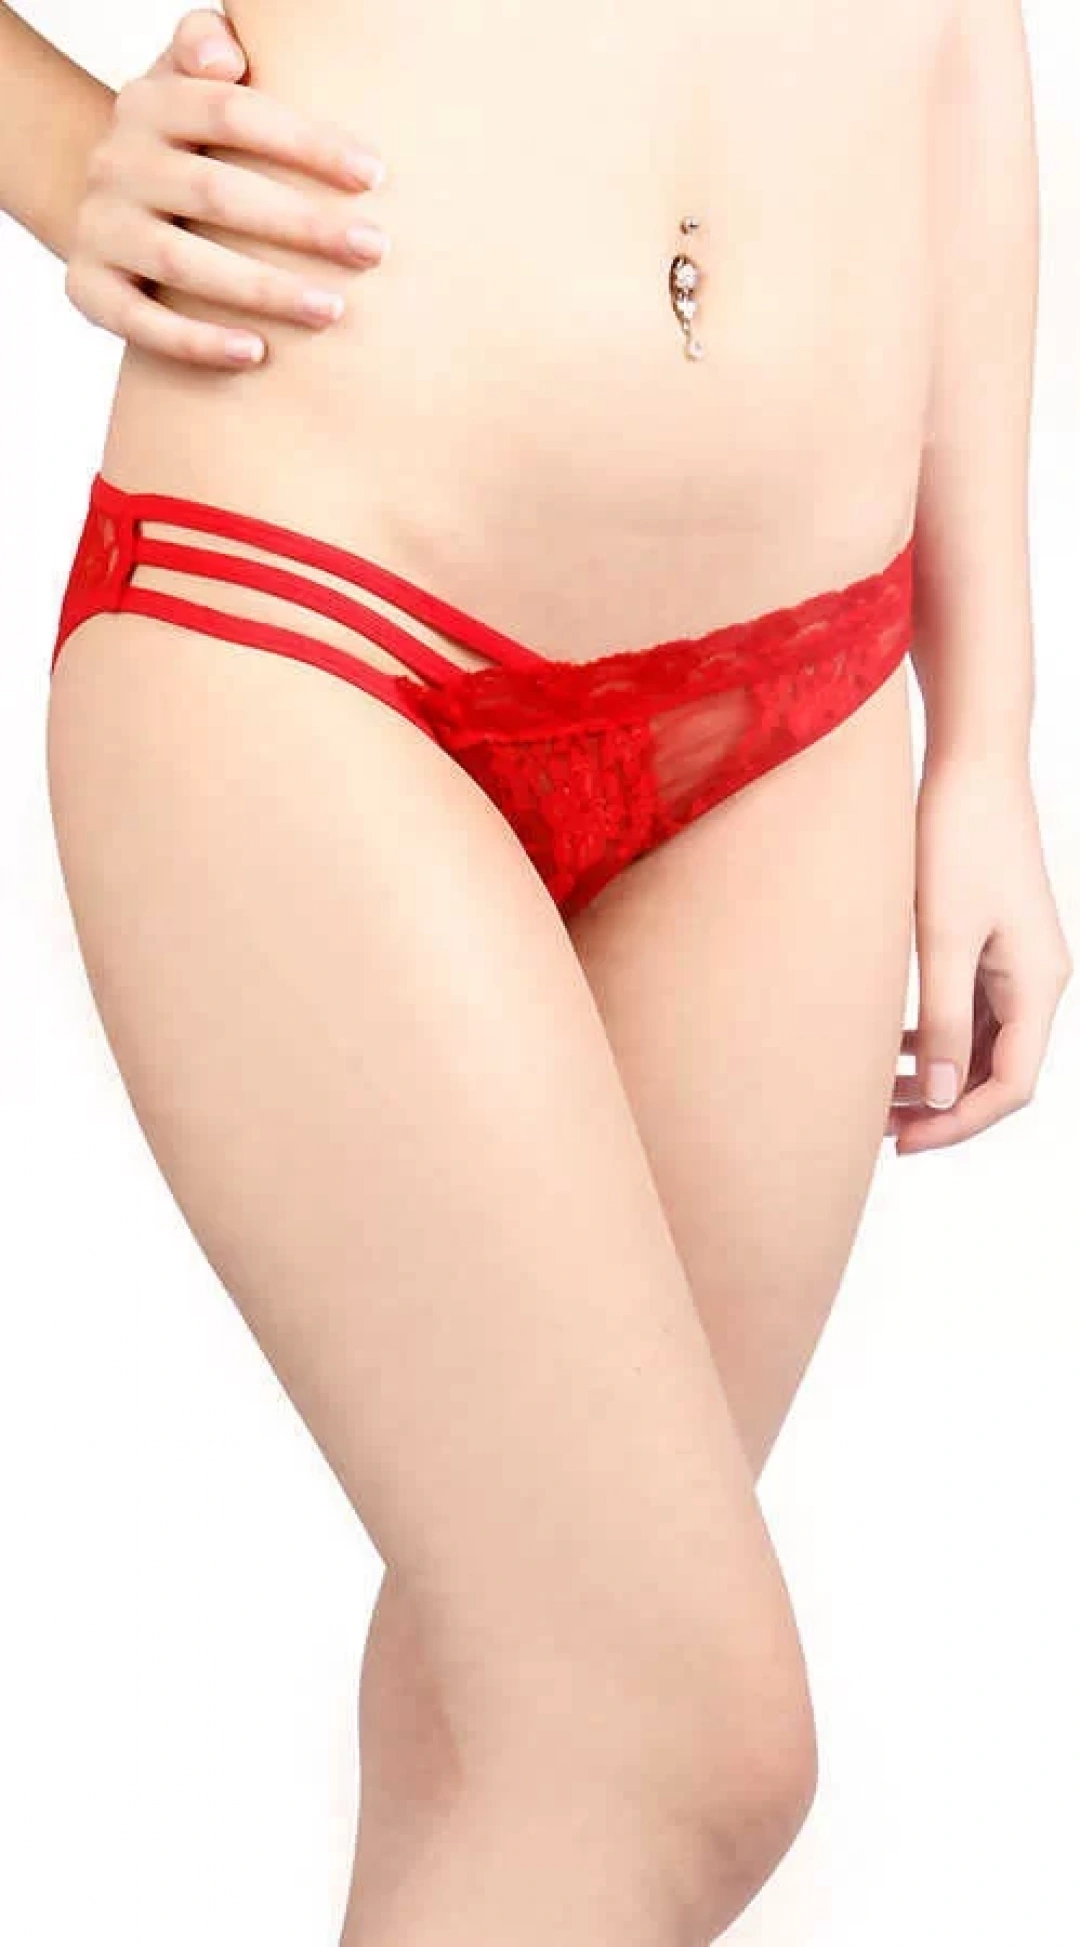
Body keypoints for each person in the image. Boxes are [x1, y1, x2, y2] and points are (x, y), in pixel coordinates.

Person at [2, 4, 1072, 1943]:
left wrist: (987, 729)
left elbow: (955, 44)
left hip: (801, 700)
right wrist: (60, 147)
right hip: (317, 612)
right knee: (678, 1748)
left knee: (520, 1719)